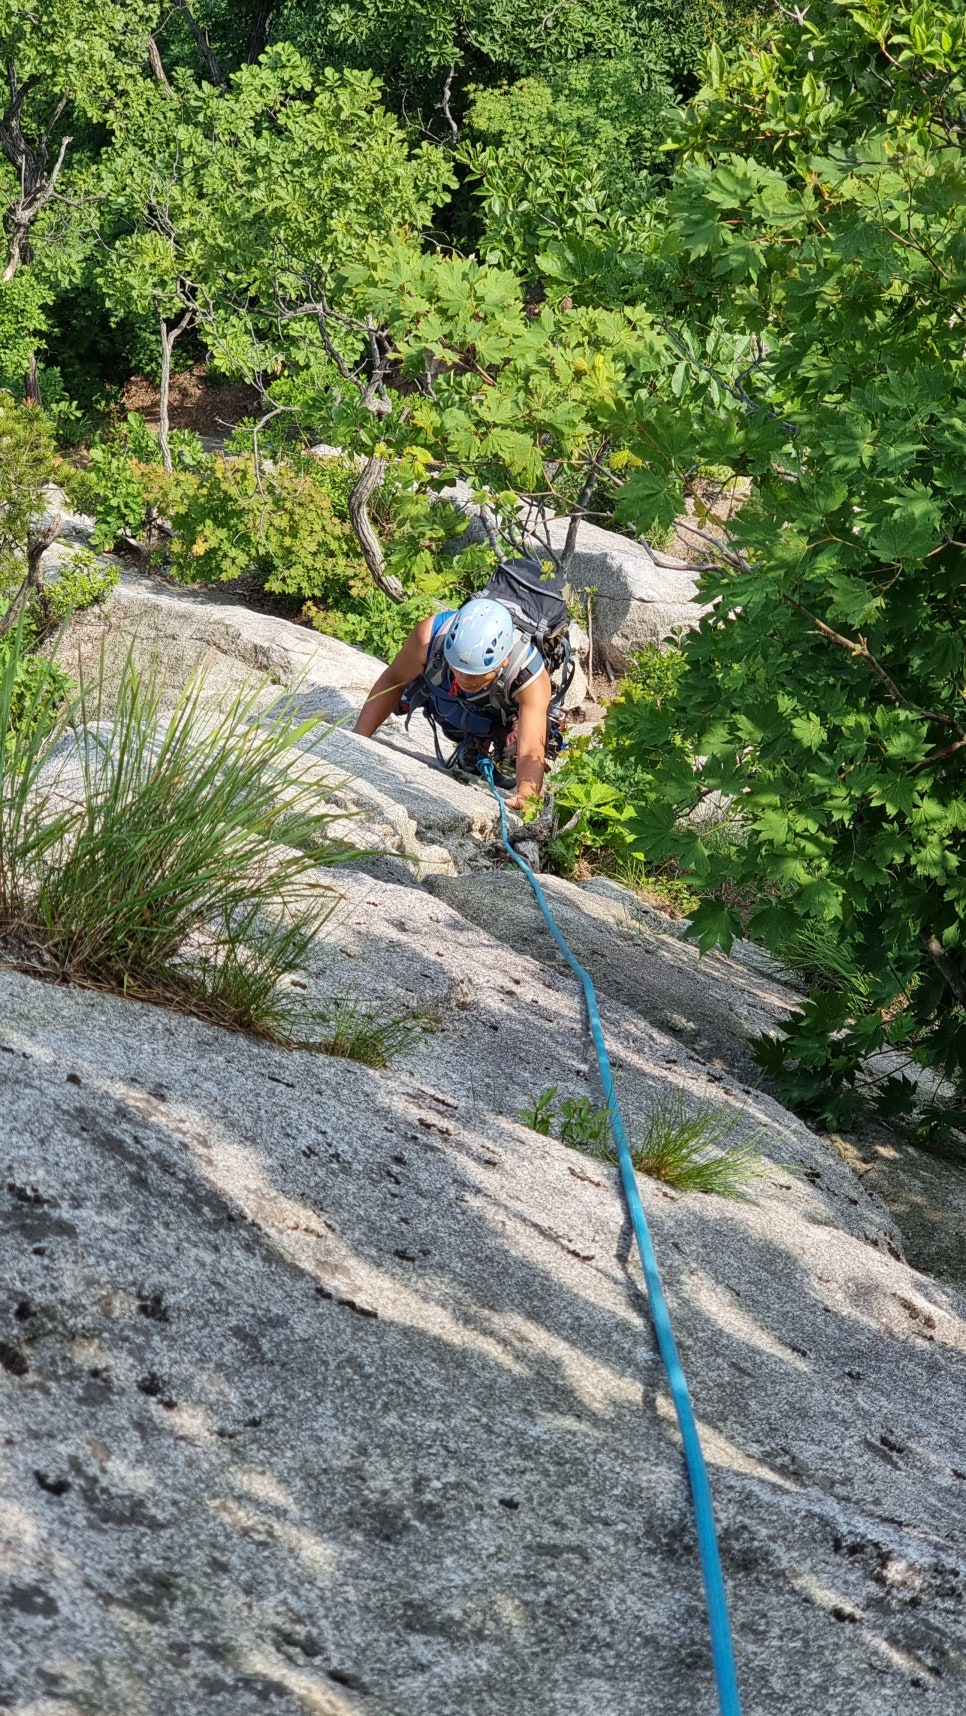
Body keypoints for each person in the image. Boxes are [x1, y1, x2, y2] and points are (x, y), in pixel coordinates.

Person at [353, 597, 553, 810]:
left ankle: (482, 746)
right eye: (459, 670)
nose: (466, 680)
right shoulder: (430, 637)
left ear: (504, 660)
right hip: (449, 704)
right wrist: (357, 738)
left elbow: (531, 745)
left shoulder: (530, 675)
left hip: (498, 716)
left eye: (476, 675)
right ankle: (471, 743)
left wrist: (526, 795)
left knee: (515, 747)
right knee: (429, 694)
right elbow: (393, 680)